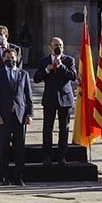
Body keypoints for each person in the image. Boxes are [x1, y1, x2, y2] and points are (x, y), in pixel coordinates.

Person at [0, 46, 33, 186]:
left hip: (20, 116)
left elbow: (28, 96)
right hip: (3, 116)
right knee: (4, 147)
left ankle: (19, 176)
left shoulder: (23, 74)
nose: (11, 60)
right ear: (3, 59)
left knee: (20, 147)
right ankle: (5, 176)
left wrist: (29, 114)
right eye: (8, 58)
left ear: (17, 59)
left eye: (13, 58)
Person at [33, 36, 77, 166]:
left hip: (65, 98)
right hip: (50, 98)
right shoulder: (44, 61)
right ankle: (47, 157)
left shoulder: (69, 60)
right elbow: (36, 78)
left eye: (61, 45)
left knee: (64, 129)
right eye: (56, 45)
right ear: (50, 47)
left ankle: (62, 157)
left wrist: (61, 66)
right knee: (48, 128)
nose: (58, 48)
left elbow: (73, 76)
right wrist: (47, 69)